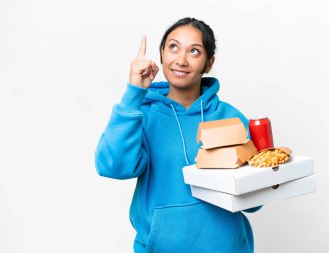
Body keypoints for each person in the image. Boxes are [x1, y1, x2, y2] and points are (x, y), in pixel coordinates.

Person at [95, 17, 262, 253]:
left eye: (194, 51)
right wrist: (134, 94)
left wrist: (266, 172)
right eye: (173, 47)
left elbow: (255, 203)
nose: (181, 60)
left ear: (208, 62)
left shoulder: (230, 117)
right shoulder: (141, 114)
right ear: (162, 54)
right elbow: (113, 167)